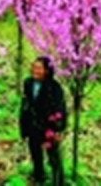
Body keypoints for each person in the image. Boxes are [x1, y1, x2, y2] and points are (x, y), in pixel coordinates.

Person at [19, 56, 67, 186]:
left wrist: (58, 129)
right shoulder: (28, 83)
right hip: (32, 126)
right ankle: (38, 178)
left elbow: (60, 109)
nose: (35, 70)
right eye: (34, 67)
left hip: (48, 128)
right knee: (36, 156)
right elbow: (25, 105)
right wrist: (23, 128)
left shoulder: (54, 87)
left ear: (47, 70)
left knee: (54, 159)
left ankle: (58, 182)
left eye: (39, 68)